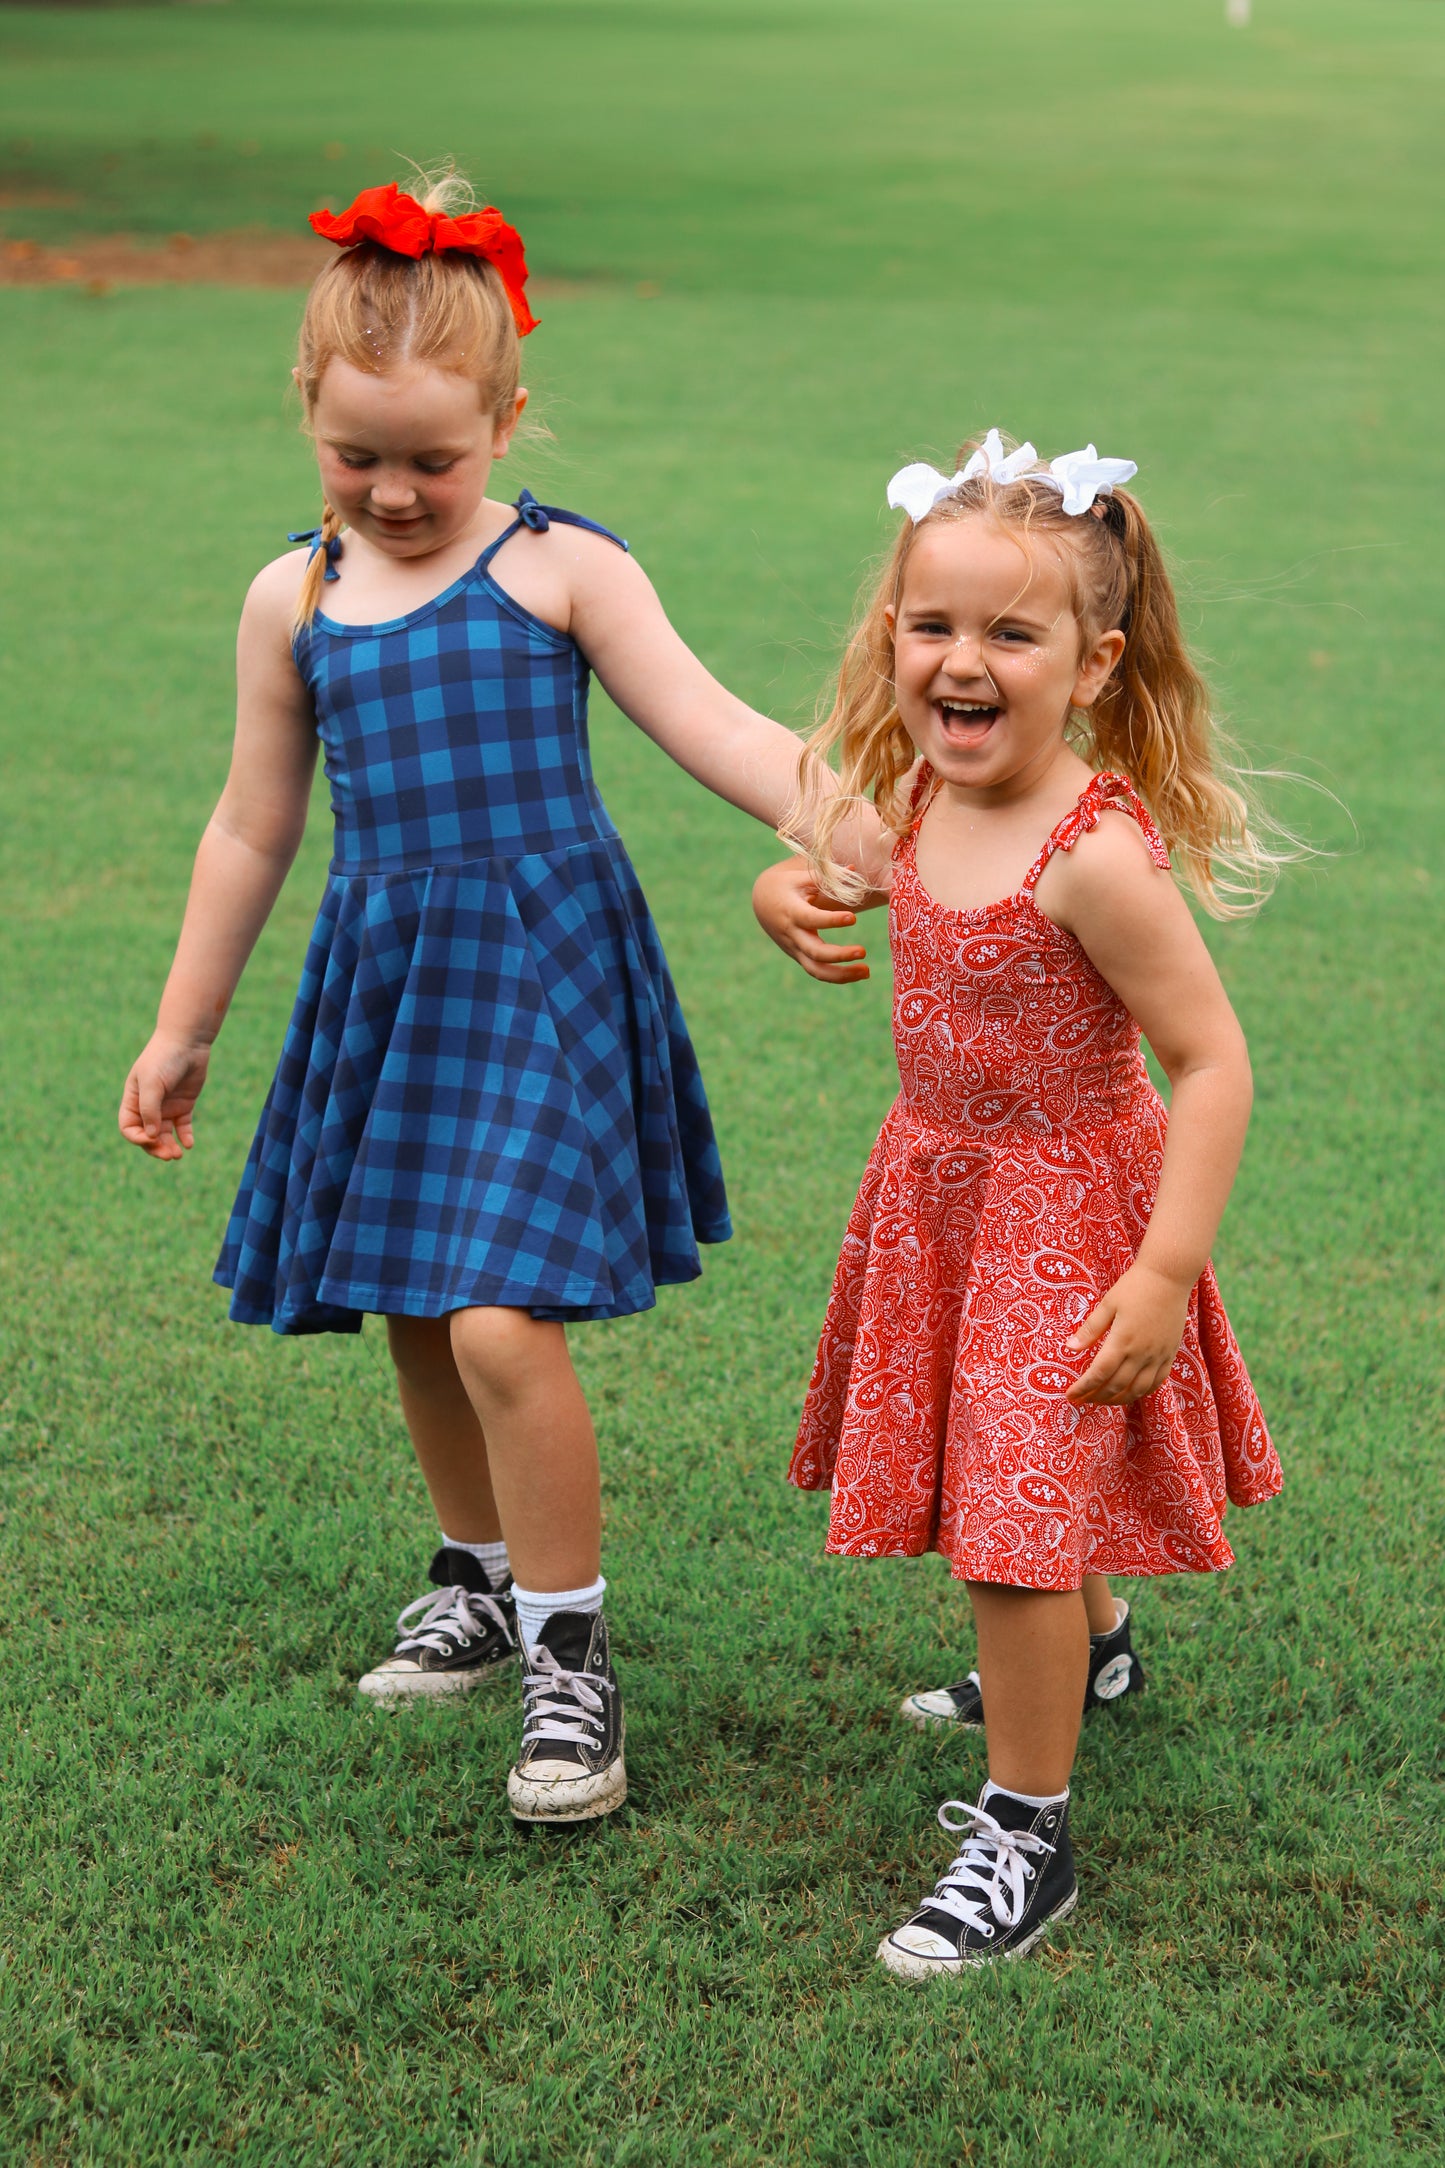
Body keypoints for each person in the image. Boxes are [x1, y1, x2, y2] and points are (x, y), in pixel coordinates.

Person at [118, 172, 866, 1826]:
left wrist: (857, 826)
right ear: (306, 414)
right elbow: (252, 825)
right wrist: (185, 1027)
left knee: (497, 1319)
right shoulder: (291, 600)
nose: (394, 492)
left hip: (540, 980)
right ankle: (469, 1572)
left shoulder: (560, 571)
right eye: (357, 455)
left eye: (433, 460)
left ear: (507, 418)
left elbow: (721, 728)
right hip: (388, 983)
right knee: (409, 1301)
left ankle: (568, 1652)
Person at [752, 430, 1284, 1973]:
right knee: (1012, 1484)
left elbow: (1212, 1061)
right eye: (931, 627)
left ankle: (1025, 1834)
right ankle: (1093, 1659)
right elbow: (837, 860)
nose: (960, 662)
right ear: (891, 641)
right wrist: (778, 889)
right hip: (939, 1197)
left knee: (1009, 1527)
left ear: (1092, 661)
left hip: (1068, 1211)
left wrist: (1167, 1268)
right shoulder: (921, 796)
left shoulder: (1095, 854)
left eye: (1008, 633)